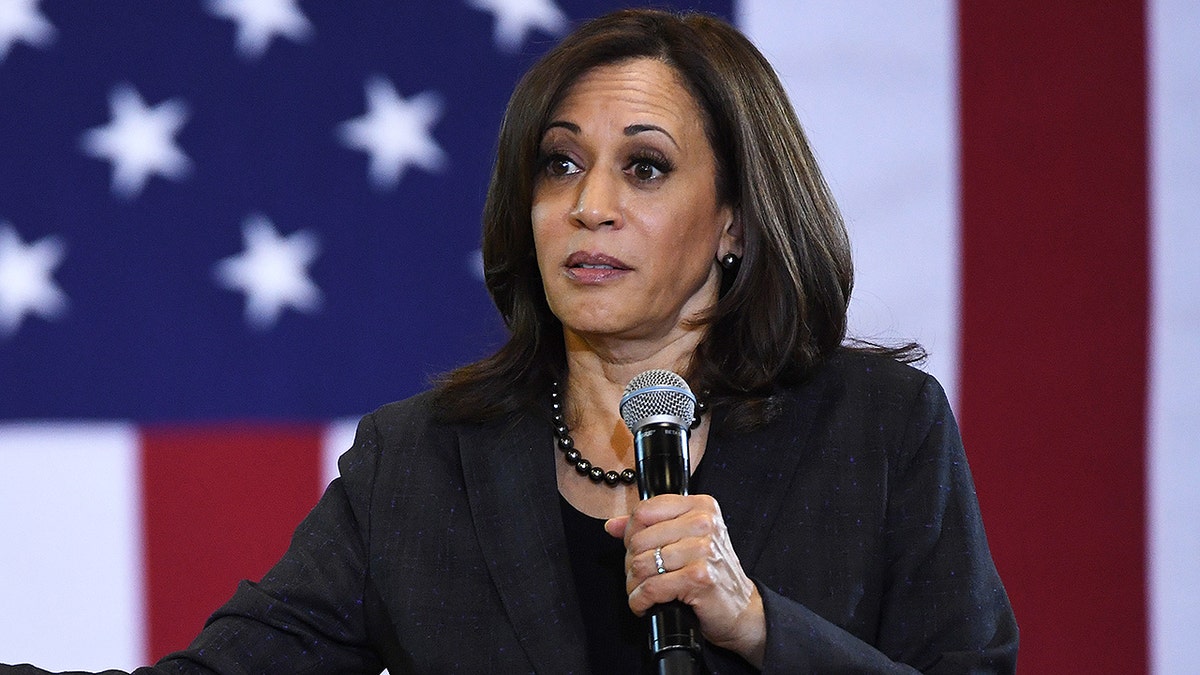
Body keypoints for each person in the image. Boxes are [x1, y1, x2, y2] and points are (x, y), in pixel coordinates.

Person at [5, 8, 1017, 674]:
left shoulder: (878, 430)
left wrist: (758, 625)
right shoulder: (421, 459)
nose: (591, 206)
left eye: (647, 168)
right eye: (560, 165)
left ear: (737, 222)